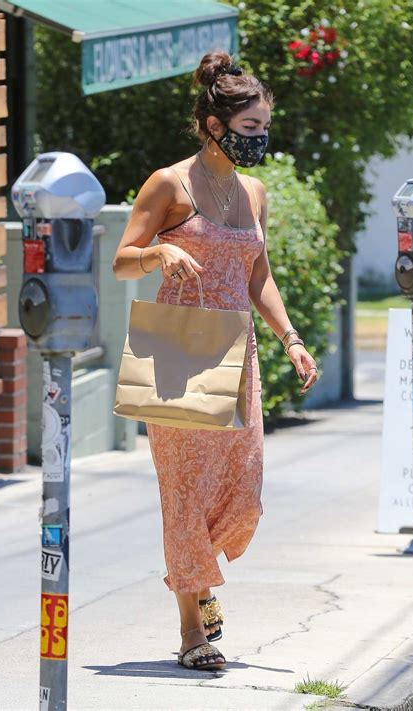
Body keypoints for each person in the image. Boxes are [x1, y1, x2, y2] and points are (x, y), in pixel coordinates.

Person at [113, 50, 318, 671]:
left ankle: (200, 582)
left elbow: (257, 273)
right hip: (177, 346)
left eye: (264, 129)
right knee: (184, 492)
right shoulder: (168, 184)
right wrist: (158, 257)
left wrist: (291, 339)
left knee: (241, 491)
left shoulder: (254, 192)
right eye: (251, 128)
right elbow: (124, 256)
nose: (261, 140)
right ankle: (192, 629)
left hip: (239, 351)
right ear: (213, 125)